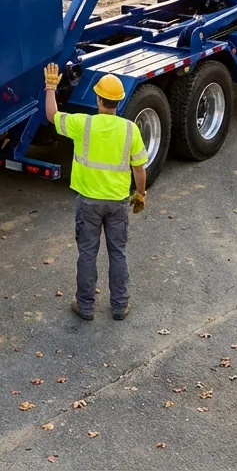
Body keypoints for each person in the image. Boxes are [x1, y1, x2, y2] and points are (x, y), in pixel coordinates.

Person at [44, 64, 148, 322]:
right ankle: (120, 306)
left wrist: (50, 88)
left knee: (87, 254)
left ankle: (86, 306)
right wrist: (141, 194)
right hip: (118, 203)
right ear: (119, 102)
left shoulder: (83, 124)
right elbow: (140, 169)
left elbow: (52, 115)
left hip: (88, 203)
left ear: (98, 99)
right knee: (118, 253)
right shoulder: (130, 130)